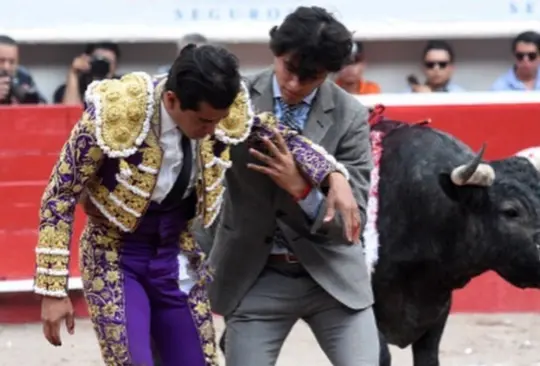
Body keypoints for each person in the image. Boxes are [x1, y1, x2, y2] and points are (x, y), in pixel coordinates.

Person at [33, 44, 356, 366]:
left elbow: (272, 133)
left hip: (176, 252)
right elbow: (60, 194)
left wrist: (331, 175)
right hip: (114, 254)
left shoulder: (221, 111)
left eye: (220, 120)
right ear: (172, 100)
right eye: (204, 121)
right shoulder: (115, 111)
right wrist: (53, 288)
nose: (214, 130)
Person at [203, 6, 378, 366]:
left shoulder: (350, 115)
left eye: (310, 77)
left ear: (329, 73)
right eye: (288, 68)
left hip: (332, 277)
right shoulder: (235, 98)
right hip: (256, 276)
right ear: (275, 52)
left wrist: (303, 190)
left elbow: (351, 223)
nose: (294, 84)